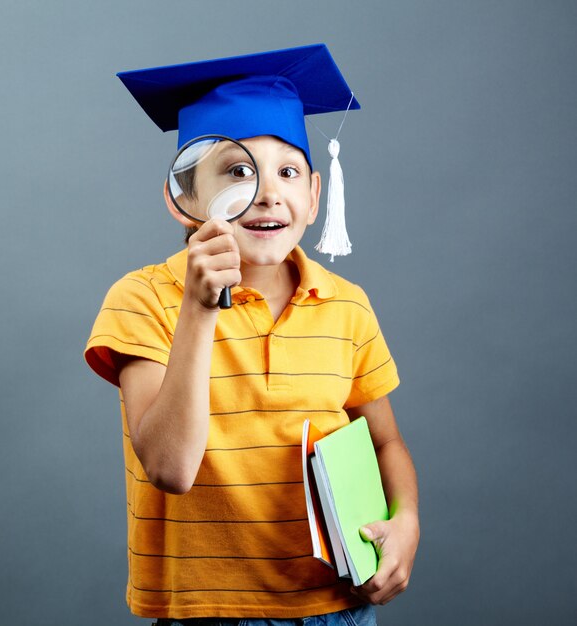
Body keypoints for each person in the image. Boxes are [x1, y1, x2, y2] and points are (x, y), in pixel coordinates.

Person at [85, 44, 419, 624]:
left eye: (287, 172)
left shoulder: (347, 306)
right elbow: (169, 466)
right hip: (207, 610)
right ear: (184, 198)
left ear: (314, 196)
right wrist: (199, 308)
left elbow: (384, 441)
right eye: (239, 172)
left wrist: (407, 521)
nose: (267, 192)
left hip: (338, 605)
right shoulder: (143, 300)